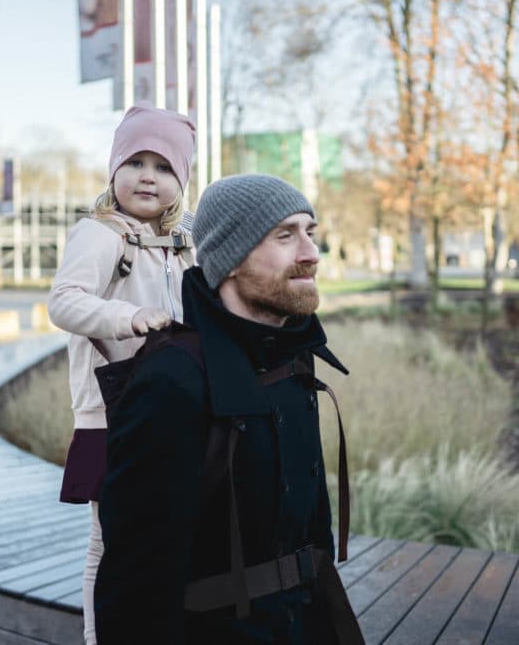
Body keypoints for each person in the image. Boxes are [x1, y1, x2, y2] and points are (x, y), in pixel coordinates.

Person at [94, 174, 363, 644]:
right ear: (231, 258)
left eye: (310, 232)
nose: (310, 253)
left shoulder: (294, 361)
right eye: (285, 235)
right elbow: (132, 585)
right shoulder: (171, 382)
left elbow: (309, 537)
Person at [47, 104, 196, 645]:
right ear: (114, 172)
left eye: (163, 165)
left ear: (181, 181)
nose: (147, 175)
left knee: (160, 528)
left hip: (163, 406)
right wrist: (129, 319)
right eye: (135, 161)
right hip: (109, 410)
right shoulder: (101, 233)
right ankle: (97, 636)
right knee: (106, 539)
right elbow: (64, 302)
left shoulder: (181, 245)